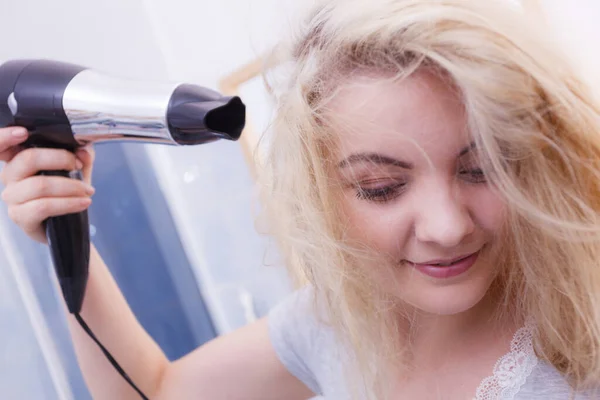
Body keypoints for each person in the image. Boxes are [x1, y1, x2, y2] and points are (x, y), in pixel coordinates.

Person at [1, 0, 600, 399]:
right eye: (382, 188)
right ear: (324, 195)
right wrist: (65, 224)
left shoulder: (579, 349)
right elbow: (154, 391)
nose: (446, 227)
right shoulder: (339, 323)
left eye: (482, 169)